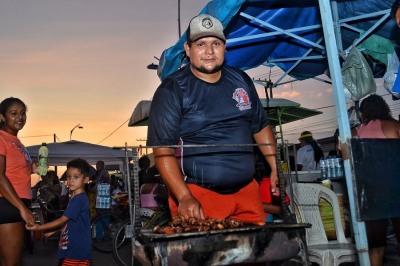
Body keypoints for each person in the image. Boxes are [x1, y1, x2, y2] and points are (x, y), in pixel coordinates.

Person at [146, 14, 278, 224]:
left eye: (216, 43)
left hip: (247, 192)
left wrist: (275, 167)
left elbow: (260, 126)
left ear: (225, 48)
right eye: (201, 44)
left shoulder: (241, 80)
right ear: (188, 50)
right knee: (206, 256)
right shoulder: (172, 90)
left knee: (255, 253)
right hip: (199, 195)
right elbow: (162, 151)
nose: (209, 51)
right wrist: (184, 196)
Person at [352, 94, 400, 266]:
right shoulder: (395, 126)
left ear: (363, 112)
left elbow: (345, 154)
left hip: (371, 193)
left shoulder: (355, 132)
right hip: (396, 189)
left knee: (376, 246)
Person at [26, 158, 92, 265]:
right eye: (69, 176)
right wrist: (56, 230)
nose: (71, 180)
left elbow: (63, 220)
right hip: (72, 250)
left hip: (75, 252)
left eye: (76, 177)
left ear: (86, 179)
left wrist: (39, 227)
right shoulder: (76, 197)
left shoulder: (79, 200)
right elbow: (73, 223)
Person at [0, 97, 36, 266]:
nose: (20, 117)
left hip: (16, 202)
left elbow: (14, 171)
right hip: (8, 203)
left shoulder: (16, 141)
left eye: (22, 113)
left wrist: (31, 169)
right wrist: (22, 209)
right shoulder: (1, 138)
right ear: (2, 117)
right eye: (13, 113)